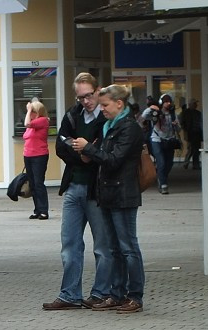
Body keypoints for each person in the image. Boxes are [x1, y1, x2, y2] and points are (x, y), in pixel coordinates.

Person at [41, 72, 114, 311]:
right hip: (74, 185)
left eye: (89, 95)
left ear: (97, 90)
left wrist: (89, 152)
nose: (86, 101)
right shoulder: (73, 115)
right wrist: (81, 154)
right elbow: (61, 145)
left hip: (97, 189)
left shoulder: (105, 118)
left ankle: (100, 293)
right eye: (81, 97)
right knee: (70, 243)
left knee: (102, 245)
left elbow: (105, 151)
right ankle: (70, 294)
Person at [72, 84, 146, 314]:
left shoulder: (129, 128)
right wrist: (88, 152)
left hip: (123, 194)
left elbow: (114, 159)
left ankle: (135, 296)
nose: (101, 109)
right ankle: (116, 294)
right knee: (114, 248)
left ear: (119, 104)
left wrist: (90, 150)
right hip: (107, 193)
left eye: (105, 105)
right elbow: (104, 157)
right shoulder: (108, 126)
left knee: (128, 247)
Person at [141, 93, 180, 194]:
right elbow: (144, 116)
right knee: (161, 162)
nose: (168, 103)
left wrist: (176, 125)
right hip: (156, 140)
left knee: (169, 163)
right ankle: (163, 184)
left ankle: (161, 176)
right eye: (166, 101)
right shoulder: (156, 112)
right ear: (161, 103)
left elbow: (179, 128)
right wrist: (151, 108)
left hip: (169, 140)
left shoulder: (173, 114)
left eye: (169, 101)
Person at [22, 99, 50, 220]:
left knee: (39, 183)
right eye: (30, 111)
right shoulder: (32, 123)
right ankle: (37, 209)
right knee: (32, 184)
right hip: (28, 155)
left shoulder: (42, 121)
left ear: (39, 112)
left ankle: (44, 210)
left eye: (33, 111)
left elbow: (26, 124)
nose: (30, 113)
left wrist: (28, 110)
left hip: (39, 155)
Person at [180, 98, 203, 169]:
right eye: (194, 103)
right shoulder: (185, 112)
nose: (196, 105)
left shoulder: (198, 113)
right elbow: (182, 123)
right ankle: (186, 163)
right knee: (191, 149)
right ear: (190, 104)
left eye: (196, 103)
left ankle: (195, 164)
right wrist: (185, 130)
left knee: (197, 149)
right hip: (190, 133)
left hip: (197, 133)